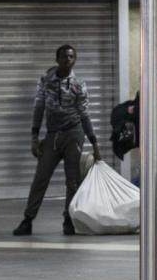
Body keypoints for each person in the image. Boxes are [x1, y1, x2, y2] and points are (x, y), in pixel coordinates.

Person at [13, 45, 102, 236]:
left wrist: (94, 143)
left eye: (71, 57)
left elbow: (85, 114)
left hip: (74, 134)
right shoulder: (46, 81)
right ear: (57, 59)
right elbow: (38, 108)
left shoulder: (79, 84)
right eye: (64, 56)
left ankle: (68, 220)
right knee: (41, 178)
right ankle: (27, 220)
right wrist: (34, 138)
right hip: (53, 135)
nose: (67, 59)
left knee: (72, 181)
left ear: (75, 60)